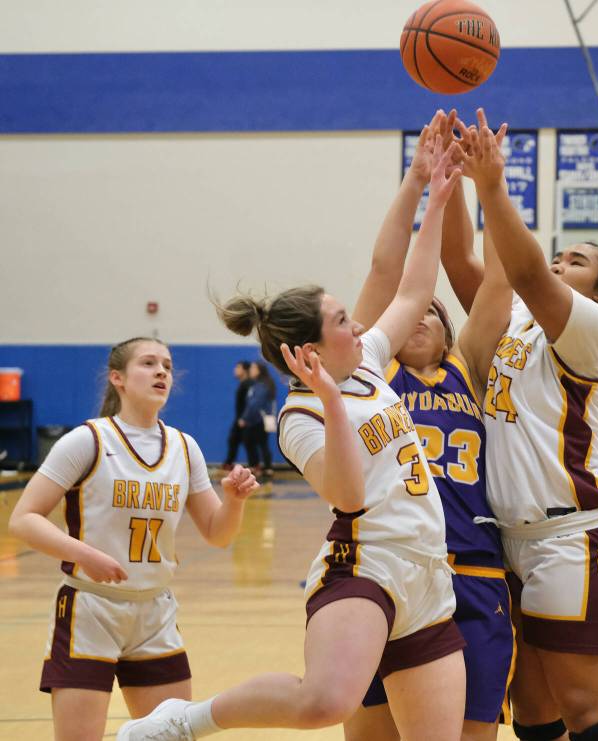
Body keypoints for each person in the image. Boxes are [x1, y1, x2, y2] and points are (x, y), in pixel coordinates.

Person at [117, 128, 466, 741]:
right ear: (307, 348)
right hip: (367, 564)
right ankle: (183, 723)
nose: (357, 322)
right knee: (322, 703)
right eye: (339, 320)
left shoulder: (363, 360)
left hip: (429, 568)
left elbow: (409, 284)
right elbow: (352, 497)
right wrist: (331, 400)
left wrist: (428, 194)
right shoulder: (303, 419)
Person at [451, 108, 598, 741]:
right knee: (532, 714)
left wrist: (493, 186)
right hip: (509, 541)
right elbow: (457, 260)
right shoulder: (513, 328)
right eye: (557, 256)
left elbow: (523, 269)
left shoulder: (591, 331)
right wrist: (449, 181)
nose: (558, 265)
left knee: (588, 713)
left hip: (574, 539)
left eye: (575, 261)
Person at [342, 112, 514, 741]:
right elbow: (388, 274)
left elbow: (500, 276)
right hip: (387, 564)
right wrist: (422, 182)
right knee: (371, 732)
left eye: (435, 315)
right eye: (414, 312)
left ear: (451, 332)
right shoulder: (371, 374)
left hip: (471, 569)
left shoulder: (472, 367)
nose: (420, 319)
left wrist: (486, 182)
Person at [7, 337, 259, 741]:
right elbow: (23, 519)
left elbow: (217, 533)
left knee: (171, 737)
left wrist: (233, 501)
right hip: (90, 608)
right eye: (148, 363)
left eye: (167, 365)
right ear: (117, 378)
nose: (162, 371)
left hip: (154, 612)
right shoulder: (87, 440)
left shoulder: (184, 447)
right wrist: (83, 553)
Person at [240, 362, 276, 478]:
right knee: (262, 443)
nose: (251, 370)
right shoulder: (259, 384)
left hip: (257, 420)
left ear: (259, 370)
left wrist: (245, 418)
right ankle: (265, 467)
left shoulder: (261, 385)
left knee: (251, 442)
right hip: (259, 419)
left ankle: (257, 466)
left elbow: (254, 404)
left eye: (253, 368)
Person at [223, 360, 252, 469]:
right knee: (233, 440)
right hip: (240, 419)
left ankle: (257, 466)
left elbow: (251, 403)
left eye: (238, 367)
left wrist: (244, 418)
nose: (235, 370)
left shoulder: (248, 384)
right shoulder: (243, 384)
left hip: (245, 420)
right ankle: (228, 464)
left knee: (248, 443)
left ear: (244, 370)